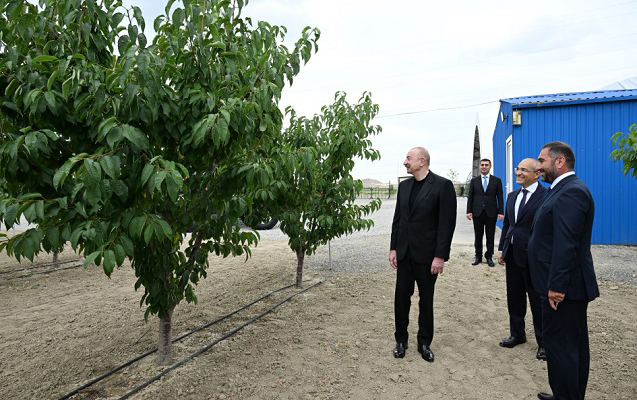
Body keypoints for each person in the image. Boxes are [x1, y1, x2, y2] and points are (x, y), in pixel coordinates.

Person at [528, 142, 599, 400]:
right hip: (557, 286)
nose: (538, 166)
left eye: (542, 160)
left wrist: (556, 287)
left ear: (560, 162)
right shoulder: (560, 189)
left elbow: (566, 244)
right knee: (565, 346)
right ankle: (564, 394)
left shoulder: (572, 192)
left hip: (564, 290)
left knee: (564, 349)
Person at [389, 147, 457, 362]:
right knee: (401, 298)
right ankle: (401, 340)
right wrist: (393, 248)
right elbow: (398, 219)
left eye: (408, 158)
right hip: (404, 254)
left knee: (426, 300)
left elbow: (446, 224)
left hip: (428, 257)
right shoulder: (404, 186)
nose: (405, 162)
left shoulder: (442, 186)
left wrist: (440, 256)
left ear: (422, 161)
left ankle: (424, 342)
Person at [497, 158, 546, 360]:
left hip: (535, 258)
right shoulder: (512, 196)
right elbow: (508, 226)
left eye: (524, 170)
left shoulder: (546, 196)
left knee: (537, 301)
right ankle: (517, 334)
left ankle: (544, 343)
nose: (518, 173)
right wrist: (502, 249)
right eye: (518, 169)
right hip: (513, 256)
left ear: (537, 174)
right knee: (514, 298)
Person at [466, 159, 504, 267]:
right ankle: (478, 256)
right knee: (478, 236)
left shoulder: (497, 181)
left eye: (486, 165)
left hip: (491, 212)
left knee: (490, 235)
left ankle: (489, 256)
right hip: (477, 212)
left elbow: (500, 198)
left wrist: (501, 212)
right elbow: (470, 197)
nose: (484, 166)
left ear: (490, 167)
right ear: (480, 167)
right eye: (482, 165)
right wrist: (469, 211)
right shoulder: (474, 181)